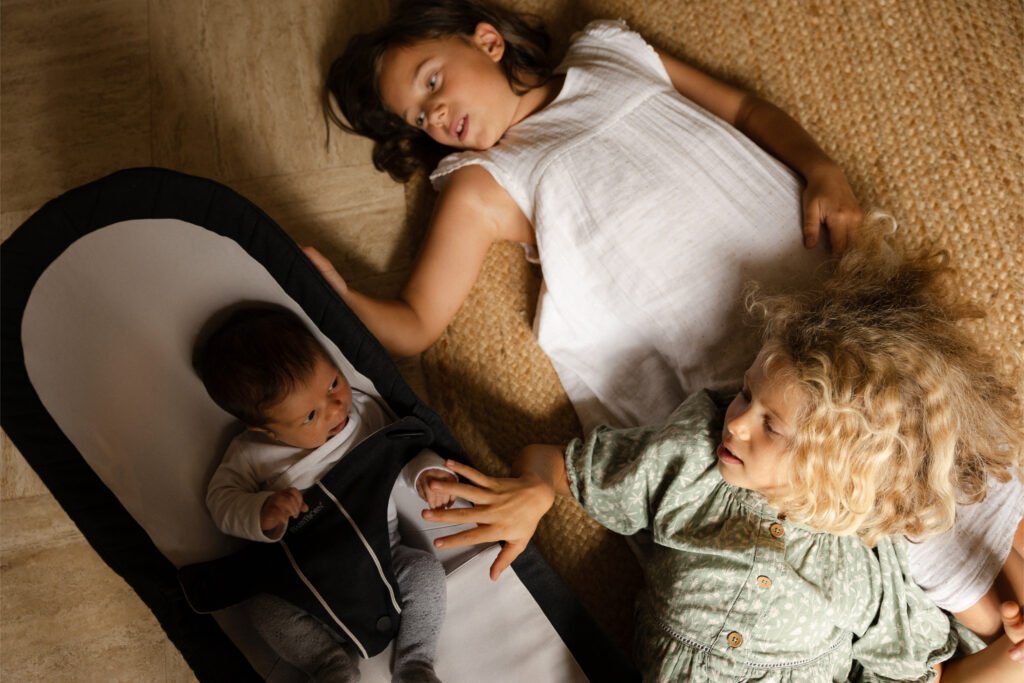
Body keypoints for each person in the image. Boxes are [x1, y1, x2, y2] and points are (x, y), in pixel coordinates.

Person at [417, 222, 1024, 680]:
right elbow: (557, 464)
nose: (735, 425)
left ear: (832, 466)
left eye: (769, 426)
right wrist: (534, 490)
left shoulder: (871, 566)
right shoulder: (691, 461)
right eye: (745, 395)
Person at [313, 0, 862, 435]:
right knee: (834, 460)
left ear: (488, 41)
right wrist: (339, 297)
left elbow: (744, 110)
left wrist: (820, 167)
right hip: (733, 364)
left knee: (912, 415)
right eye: (416, 117)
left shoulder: (608, 51)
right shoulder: (482, 182)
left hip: (819, 277)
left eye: (431, 81)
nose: (431, 113)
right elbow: (414, 322)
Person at [197, 306, 455, 683]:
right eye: (309, 417)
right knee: (264, 609)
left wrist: (426, 475)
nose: (335, 409)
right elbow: (220, 503)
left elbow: (398, 456)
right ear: (266, 431)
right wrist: (262, 511)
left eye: (333, 383)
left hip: (384, 554)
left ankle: (416, 664)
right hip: (301, 580)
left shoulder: (364, 415)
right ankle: (330, 666)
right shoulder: (250, 455)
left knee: (427, 574)